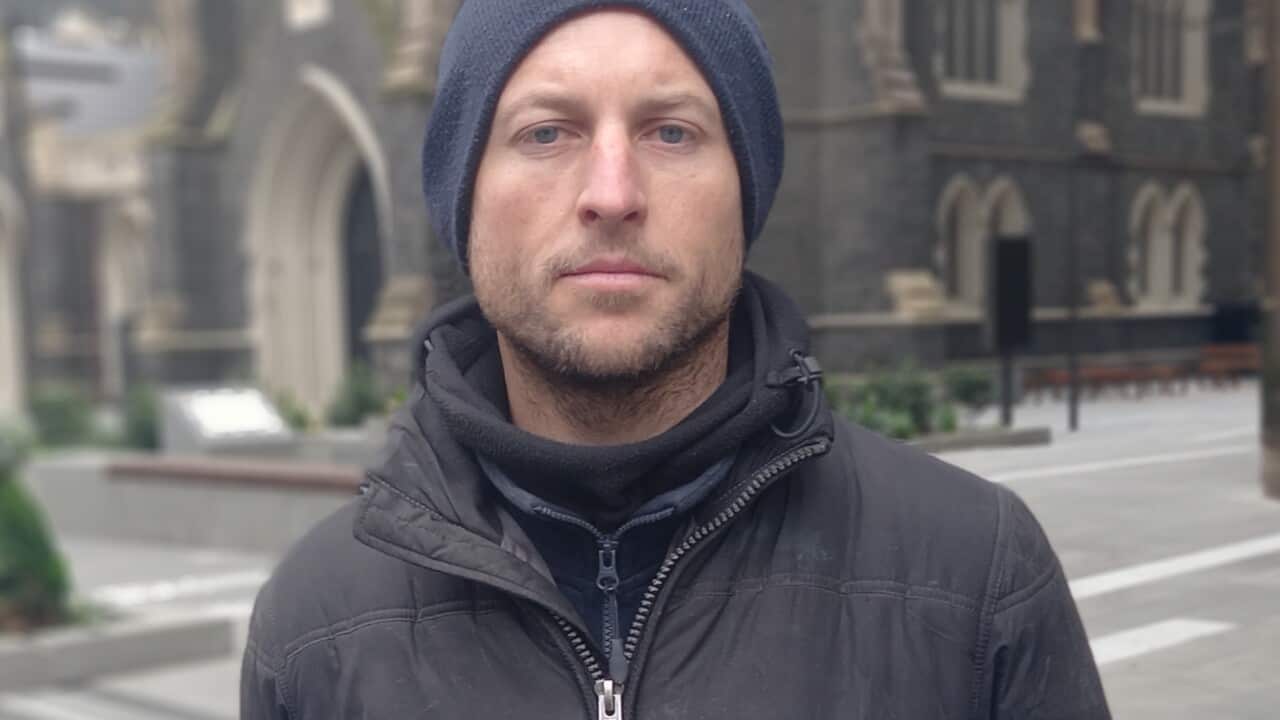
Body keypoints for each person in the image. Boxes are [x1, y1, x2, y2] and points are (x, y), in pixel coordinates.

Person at [241, 1, 1110, 717]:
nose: (612, 193)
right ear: (463, 205)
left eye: (671, 132)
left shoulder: (977, 572)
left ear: (746, 196)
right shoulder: (312, 629)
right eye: (545, 133)